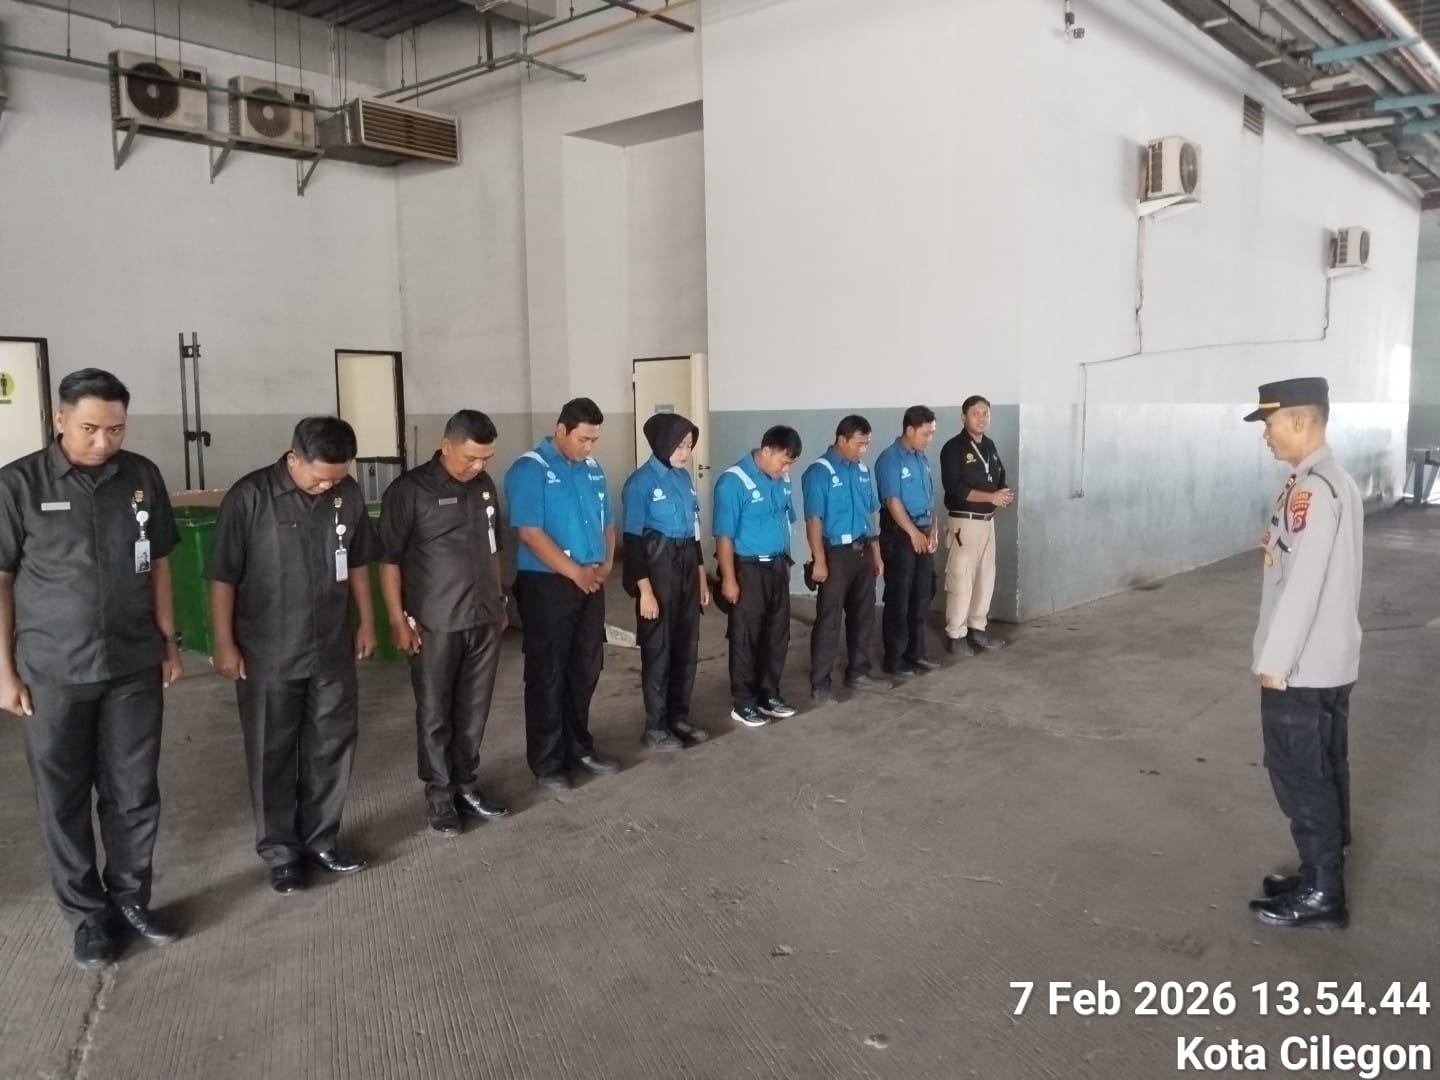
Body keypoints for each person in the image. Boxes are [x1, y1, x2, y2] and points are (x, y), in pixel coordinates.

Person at [0, 368, 184, 969]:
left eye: (116, 429)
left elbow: (159, 564)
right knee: (63, 797)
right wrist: (3, 671)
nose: (104, 441)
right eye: (89, 428)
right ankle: (86, 918)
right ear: (60, 420)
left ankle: (131, 899)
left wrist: (169, 641)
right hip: (54, 670)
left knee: (134, 790)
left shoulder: (141, 477)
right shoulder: (17, 485)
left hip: (133, 662)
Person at [206, 417, 379, 894]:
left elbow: (358, 560)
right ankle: (281, 853)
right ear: (293, 458)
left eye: (337, 478)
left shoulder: (347, 494)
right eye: (319, 477)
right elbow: (222, 575)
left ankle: (322, 839)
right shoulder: (250, 497)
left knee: (331, 744)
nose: (328, 486)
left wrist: (366, 620)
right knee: (272, 751)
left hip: (331, 646)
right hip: (269, 651)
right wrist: (224, 642)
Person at [1244, 377, 1363, 930]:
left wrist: (1275, 661)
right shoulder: (1330, 480)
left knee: (1299, 773)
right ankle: (1322, 871)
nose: (1266, 435)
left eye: (1269, 424)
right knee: (1326, 766)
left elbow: (1303, 584)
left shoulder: (1313, 490)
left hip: (1302, 665)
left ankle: (1322, 893)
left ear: (1299, 420)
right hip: (1329, 658)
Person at [378, 410, 511, 837]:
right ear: (446, 445)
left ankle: (466, 784)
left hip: (484, 619)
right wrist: (397, 619)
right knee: (436, 712)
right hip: (436, 623)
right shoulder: (409, 491)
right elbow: (389, 560)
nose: (478, 466)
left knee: (474, 709)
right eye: (471, 457)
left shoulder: (484, 487)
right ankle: (440, 795)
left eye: (487, 458)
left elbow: (493, 548)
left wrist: (500, 603)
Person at [503, 398, 620, 793]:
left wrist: (606, 563)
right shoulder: (529, 469)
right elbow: (529, 533)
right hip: (548, 585)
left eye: (594, 440)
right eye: (583, 439)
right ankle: (548, 761)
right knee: (548, 673)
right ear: (560, 430)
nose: (589, 447)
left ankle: (579, 747)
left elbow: (608, 523)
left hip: (591, 581)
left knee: (585, 668)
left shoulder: (594, 469)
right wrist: (575, 573)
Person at [621, 413, 711, 752]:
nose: (685, 452)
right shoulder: (640, 483)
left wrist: (701, 576)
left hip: (687, 563)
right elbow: (632, 543)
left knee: (686, 645)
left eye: (689, 445)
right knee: (659, 649)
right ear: (661, 442)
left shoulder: (684, 478)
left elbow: (695, 532)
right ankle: (656, 726)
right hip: (658, 568)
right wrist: (644, 591)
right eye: (679, 445)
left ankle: (678, 717)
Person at [713, 425, 802, 728]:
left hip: (777, 566)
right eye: (784, 462)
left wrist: (786, 562)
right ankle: (744, 703)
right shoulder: (733, 482)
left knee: (776, 634)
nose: (786, 469)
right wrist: (729, 579)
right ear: (766, 451)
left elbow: (785, 522)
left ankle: (769, 694)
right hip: (748, 569)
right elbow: (724, 536)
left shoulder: (782, 480)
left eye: (790, 464)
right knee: (746, 636)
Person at [802, 415, 886, 703]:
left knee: (863, 615)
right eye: (859, 444)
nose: (864, 450)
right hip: (835, 554)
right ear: (841, 439)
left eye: (867, 444)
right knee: (829, 619)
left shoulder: (862, 470)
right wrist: (819, 559)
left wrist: (876, 553)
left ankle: (859, 671)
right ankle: (820, 683)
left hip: (863, 552)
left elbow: (870, 514)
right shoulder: (819, 472)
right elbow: (814, 520)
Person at [938, 395, 1013, 656]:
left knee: (985, 577)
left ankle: (977, 628)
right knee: (962, 577)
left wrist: (1003, 494)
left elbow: (999, 476)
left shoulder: (989, 445)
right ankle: (956, 633)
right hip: (964, 521)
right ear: (963, 417)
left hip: (987, 522)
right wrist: (990, 497)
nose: (981, 419)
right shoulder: (953, 448)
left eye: (986, 414)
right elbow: (955, 487)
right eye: (975, 413)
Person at [874, 406, 940, 677]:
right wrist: (913, 533)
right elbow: (892, 501)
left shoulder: (921, 458)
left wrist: (933, 531)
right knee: (899, 596)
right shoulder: (890, 459)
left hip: (923, 531)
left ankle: (917, 652)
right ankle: (895, 657)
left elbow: (929, 498)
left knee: (923, 593)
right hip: (900, 534)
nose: (929, 439)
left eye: (932, 433)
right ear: (909, 430)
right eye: (925, 433)